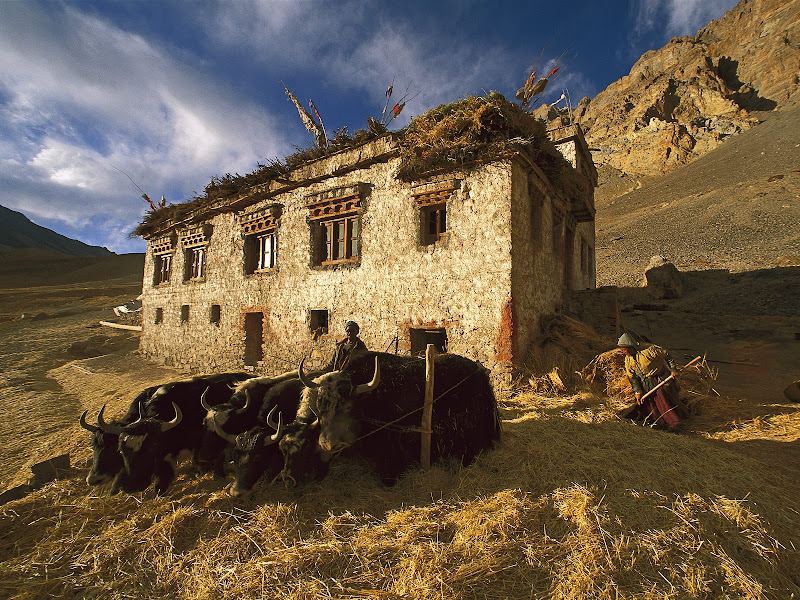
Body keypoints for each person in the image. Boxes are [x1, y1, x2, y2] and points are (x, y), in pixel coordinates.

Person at [617, 332, 685, 430]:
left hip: (660, 379)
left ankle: (673, 422)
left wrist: (673, 370)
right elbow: (632, 377)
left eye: (624, 349)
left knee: (663, 399)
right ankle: (658, 420)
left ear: (631, 346)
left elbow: (667, 356)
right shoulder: (628, 360)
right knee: (650, 402)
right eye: (622, 349)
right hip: (646, 382)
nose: (623, 351)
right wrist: (638, 391)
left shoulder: (649, 350)